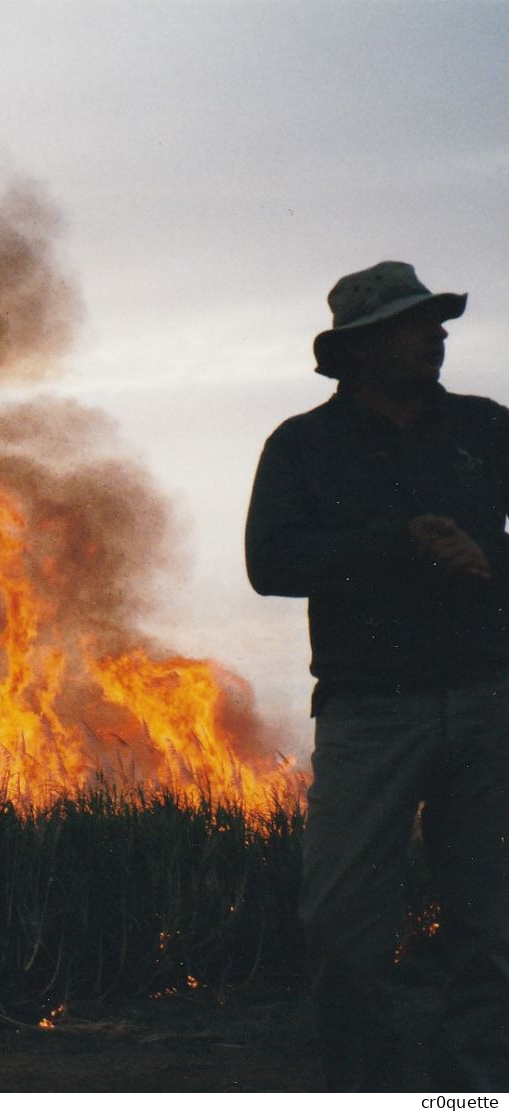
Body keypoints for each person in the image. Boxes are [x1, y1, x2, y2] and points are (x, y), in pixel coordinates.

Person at [246, 260, 509, 1091]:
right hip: (367, 716)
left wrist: (489, 557)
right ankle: (366, 1087)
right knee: (340, 927)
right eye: (415, 322)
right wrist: (395, 544)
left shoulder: (484, 428)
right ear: (360, 348)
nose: (436, 333)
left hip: (487, 704)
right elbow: (269, 561)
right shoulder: (301, 446)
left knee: (492, 928)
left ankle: (474, 1087)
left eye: (436, 319)